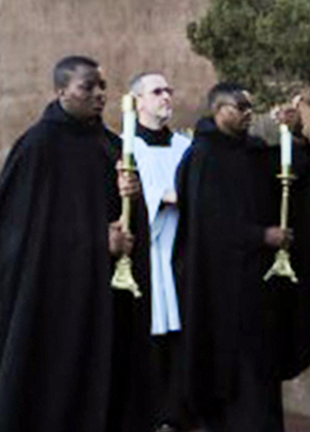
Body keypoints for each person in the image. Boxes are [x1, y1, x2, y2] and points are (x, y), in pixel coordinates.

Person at [0, 56, 151, 432]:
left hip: (104, 299)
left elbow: (129, 220)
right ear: (61, 92)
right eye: (88, 87)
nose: (99, 95)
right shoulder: (37, 147)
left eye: (102, 86)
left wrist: (133, 200)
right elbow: (20, 237)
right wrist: (94, 242)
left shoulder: (111, 145)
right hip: (54, 303)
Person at [175, 85, 310, 432]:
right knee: (232, 373)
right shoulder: (202, 156)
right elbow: (207, 224)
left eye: (250, 107)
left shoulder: (252, 150)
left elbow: (291, 172)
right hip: (220, 290)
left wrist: (296, 134)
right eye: (240, 106)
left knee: (260, 372)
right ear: (217, 109)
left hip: (257, 286)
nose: (248, 113)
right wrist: (261, 235)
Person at [123, 72, 195, 432]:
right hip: (145, 257)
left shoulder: (185, 147)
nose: (166, 96)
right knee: (147, 336)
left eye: (169, 89)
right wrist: (168, 197)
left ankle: (176, 412)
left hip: (181, 253)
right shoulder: (124, 147)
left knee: (179, 337)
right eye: (156, 91)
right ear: (137, 101)